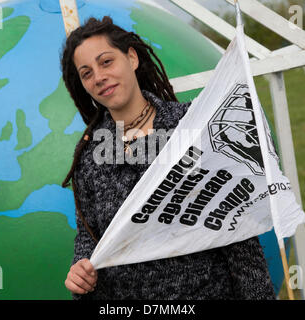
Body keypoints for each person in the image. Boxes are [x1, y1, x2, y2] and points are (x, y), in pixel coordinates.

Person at [61, 16, 276, 300]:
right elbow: (90, 240)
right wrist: (81, 272)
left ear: (132, 58)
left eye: (106, 62)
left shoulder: (194, 128)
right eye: (86, 73)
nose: (99, 77)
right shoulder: (88, 158)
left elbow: (237, 236)